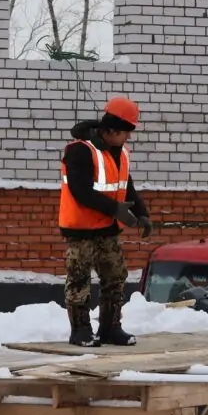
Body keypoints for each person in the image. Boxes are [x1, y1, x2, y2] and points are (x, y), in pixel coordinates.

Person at [59, 96, 152, 348]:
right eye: (126, 132)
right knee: (79, 279)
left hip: (107, 229)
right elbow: (81, 191)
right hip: (81, 231)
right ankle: (80, 331)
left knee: (115, 276)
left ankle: (110, 328)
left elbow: (127, 185)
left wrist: (142, 213)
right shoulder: (80, 151)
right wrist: (116, 209)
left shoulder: (119, 152)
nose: (129, 138)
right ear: (111, 129)